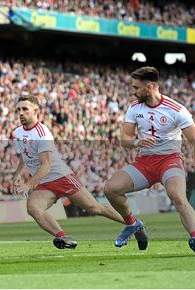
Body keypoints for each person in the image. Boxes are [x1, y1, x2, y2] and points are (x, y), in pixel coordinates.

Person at [104, 66, 195, 256]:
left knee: (177, 196)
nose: (133, 91)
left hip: (170, 160)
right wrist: (138, 141)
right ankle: (133, 224)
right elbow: (125, 140)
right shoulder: (134, 108)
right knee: (110, 189)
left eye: (136, 87)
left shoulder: (177, 110)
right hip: (144, 162)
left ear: (150, 87)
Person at [11, 95, 130, 249]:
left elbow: (45, 166)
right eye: (18, 109)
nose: (21, 112)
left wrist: (28, 185)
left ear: (35, 111)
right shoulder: (18, 132)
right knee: (33, 208)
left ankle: (133, 223)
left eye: (25, 109)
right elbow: (24, 154)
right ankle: (64, 238)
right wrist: (17, 174)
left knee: (94, 208)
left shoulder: (42, 133)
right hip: (45, 182)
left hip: (62, 177)